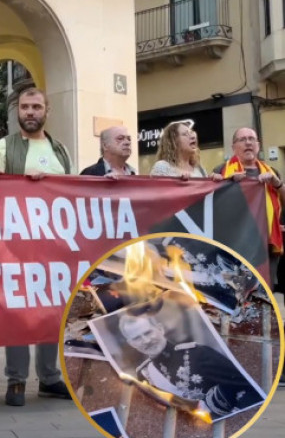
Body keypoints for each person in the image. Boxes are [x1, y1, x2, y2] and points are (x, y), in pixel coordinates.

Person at [0, 85, 72, 406]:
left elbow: (74, 193)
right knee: (20, 314)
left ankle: (49, 377)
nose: (31, 112)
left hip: (55, 248)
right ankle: (17, 380)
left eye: (36, 106)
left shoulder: (60, 149)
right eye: (25, 107)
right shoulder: (4, 147)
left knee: (53, 311)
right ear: (18, 111)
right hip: (17, 247)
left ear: (46, 111)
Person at [119, 313, 263, 418]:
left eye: (148, 332)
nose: (146, 341)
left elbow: (251, 387)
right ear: (131, 344)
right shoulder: (144, 374)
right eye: (137, 338)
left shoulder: (198, 354)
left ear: (160, 329)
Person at [213, 127, 284, 292]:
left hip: (266, 247)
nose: (248, 143)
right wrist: (222, 183)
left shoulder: (272, 172)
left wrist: (277, 184)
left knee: (264, 295)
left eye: (252, 139)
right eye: (243, 139)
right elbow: (209, 206)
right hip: (234, 246)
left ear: (258, 145)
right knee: (236, 296)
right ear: (234, 147)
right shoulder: (221, 171)